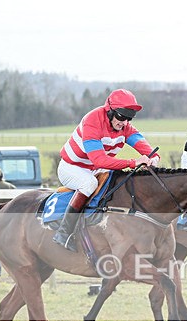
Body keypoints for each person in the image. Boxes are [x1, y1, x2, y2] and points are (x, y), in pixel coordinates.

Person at [54, 88, 160, 250]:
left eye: (129, 118)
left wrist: (153, 159)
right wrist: (133, 162)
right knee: (88, 184)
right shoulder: (92, 121)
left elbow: (149, 150)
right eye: (121, 116)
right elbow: (99, 160)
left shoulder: (125, 127)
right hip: (72, 168)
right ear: (110, 111)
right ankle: (64, 232)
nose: (124, 122)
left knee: (120, 182)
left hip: (95, 169)